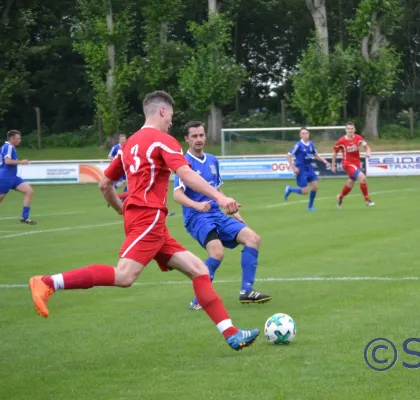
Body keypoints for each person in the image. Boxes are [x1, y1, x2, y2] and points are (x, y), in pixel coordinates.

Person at [28, 91, 259, 351]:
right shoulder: (164, 141)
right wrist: (220, 196)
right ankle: (48, 282)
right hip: (149, 218)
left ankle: (231, 333)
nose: (172, 121)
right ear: (162, 112)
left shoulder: (128, 145)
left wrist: (120, 209)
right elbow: (185, 173)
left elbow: (105, 183)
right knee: (125, 275)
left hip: (147, 220)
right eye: (171, 115)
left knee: (200, 270)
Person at [172, 121, 271, 311]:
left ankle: (247, 291)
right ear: (186, 139)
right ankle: (199, 299)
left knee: (253, 239)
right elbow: (177, 194)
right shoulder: (184, 164)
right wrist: (197, 205)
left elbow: (217, 189)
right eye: (194, 136)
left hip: (218, 213)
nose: (199, 139)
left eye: (201, 135)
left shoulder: (212, 160)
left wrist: (234, 210)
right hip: (197, 217)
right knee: (217, 253)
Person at [283, 127, 330, 210]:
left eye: (306, 133)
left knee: (315, 186)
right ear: (300, 135)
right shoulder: (298, 145)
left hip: (309, 167)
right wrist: (293, 168)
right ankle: (290, 189)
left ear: (309, 134)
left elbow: (315, 155)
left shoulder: (311, 144)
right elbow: (288, 155)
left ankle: (310, 206)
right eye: (303, 133)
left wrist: (324, 161)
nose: (305, 135)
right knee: (305, 191)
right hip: (301, 169)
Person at [331, 122, 375, 208]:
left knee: (350, 184)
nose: (350, 130)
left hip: (356, 164)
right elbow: (334, 153)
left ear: (354, 129)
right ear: (345, 130)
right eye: (348, 129)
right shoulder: (341, 141)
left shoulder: (358, 138)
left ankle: (340, 197)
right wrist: (333, 165)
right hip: (347, 164)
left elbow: (367, 147)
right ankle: (367, 200)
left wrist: (368, 153)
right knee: (362, 178)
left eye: (352, 129)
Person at [0, 130, 37, 224]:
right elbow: (7, 161)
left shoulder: (9, 147)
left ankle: (24, 217)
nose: (20, 140)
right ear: (12, 139)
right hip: (5, 178)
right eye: (18, 138)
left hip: (13, 177)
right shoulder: (8, 147)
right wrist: (21, 162)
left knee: (29, 191)